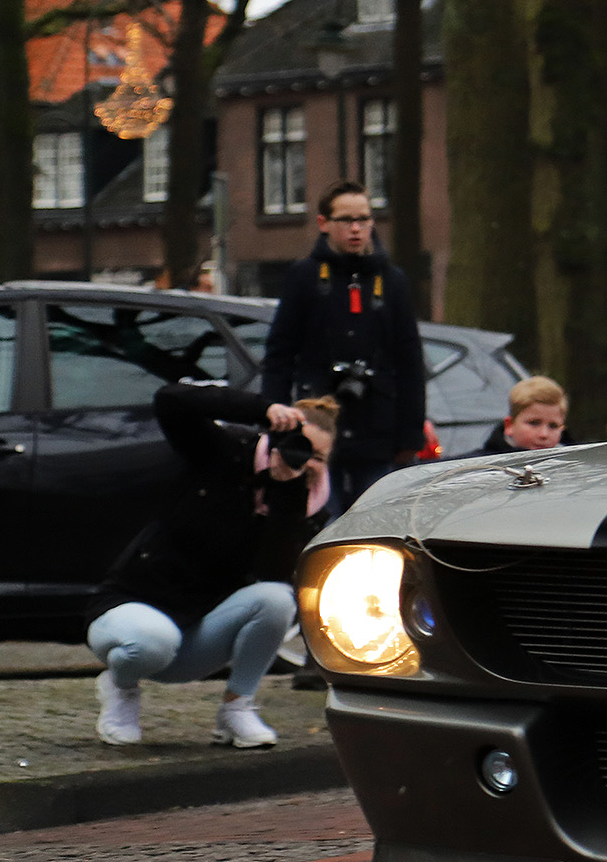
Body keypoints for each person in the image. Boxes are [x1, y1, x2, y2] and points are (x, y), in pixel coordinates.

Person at [86, 385, 339, 747]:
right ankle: (120, 687)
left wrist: (286, 493)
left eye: (319, 457)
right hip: (129, 608)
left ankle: (237, 708)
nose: (307, 462)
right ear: (274, 437)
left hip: (196, 635)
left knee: (279, 599)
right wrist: (262, 409)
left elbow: (273, 573)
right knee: (154, 641)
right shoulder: (222, 451)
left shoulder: (307, 503)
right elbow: (170, 400)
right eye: (300, 447)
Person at [263, 180, 425, 512]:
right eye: (346, 220)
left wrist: (410, 434)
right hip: (317, 430)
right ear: (324, 224)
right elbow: (280, 353)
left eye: (364, 219)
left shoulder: (391, 282)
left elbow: (409, 360)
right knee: (323, 524)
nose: (356, 229)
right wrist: (275, 417)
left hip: (378, 427)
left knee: (375, 525)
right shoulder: (304, 277)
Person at [478, 375, 571, 454]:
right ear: (509, 425)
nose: (544, 434)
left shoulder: (574, 466)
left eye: (553, 426)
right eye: (534, 423)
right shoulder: (476, 468)